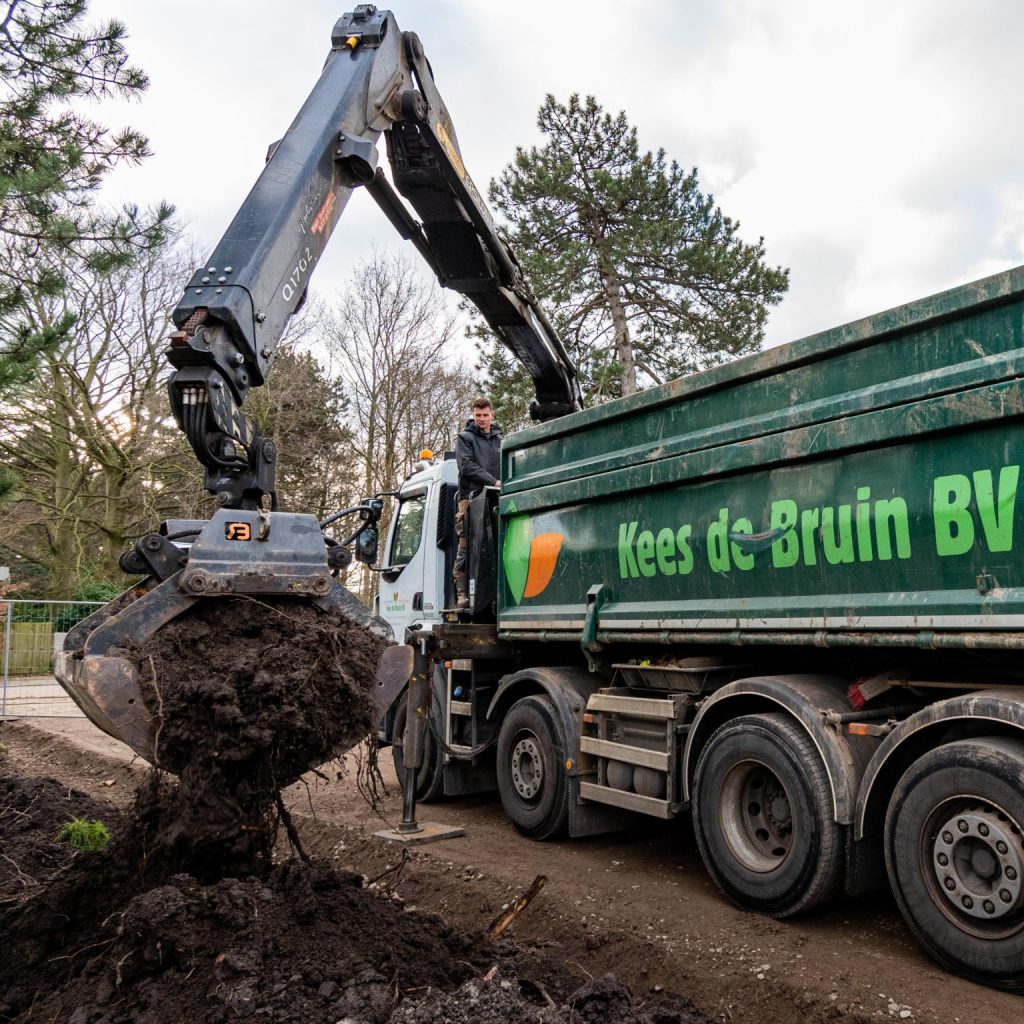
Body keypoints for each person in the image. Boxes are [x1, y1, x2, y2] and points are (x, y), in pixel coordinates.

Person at [453, 396, 501, 609]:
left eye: (485, 415)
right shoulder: (465, 438)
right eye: (477, 415)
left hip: (497, 496)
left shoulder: (500, 439)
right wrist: (494, 482)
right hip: (471, 498)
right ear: (473, 415)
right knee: (466, 546)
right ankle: (462, 593)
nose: (481, 419)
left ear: (493, 414)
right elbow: (467, 467)